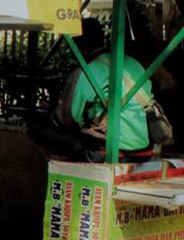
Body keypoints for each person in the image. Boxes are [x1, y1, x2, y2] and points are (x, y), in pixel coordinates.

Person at [29, 18, 154, 162]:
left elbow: (68, 120)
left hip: (109, 152)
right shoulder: (133, 64)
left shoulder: (85, 72)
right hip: (145, 150)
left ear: (76, 46)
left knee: (36, 127)